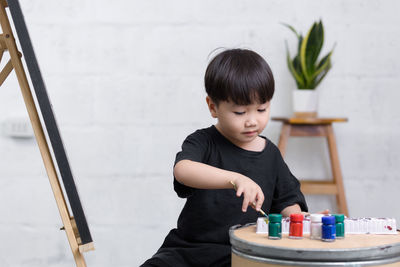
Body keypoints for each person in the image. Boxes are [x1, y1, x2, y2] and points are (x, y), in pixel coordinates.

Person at [141, 48, 308, 267]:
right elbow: (183, 170)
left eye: (261, 109)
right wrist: (236, 179)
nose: (252, 121)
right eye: (240, 112)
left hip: (241, 254)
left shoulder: (271, 154)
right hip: (188, 250)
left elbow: (288, 200)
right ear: (213, 107)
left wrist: (301, 221)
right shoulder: (203, 141)